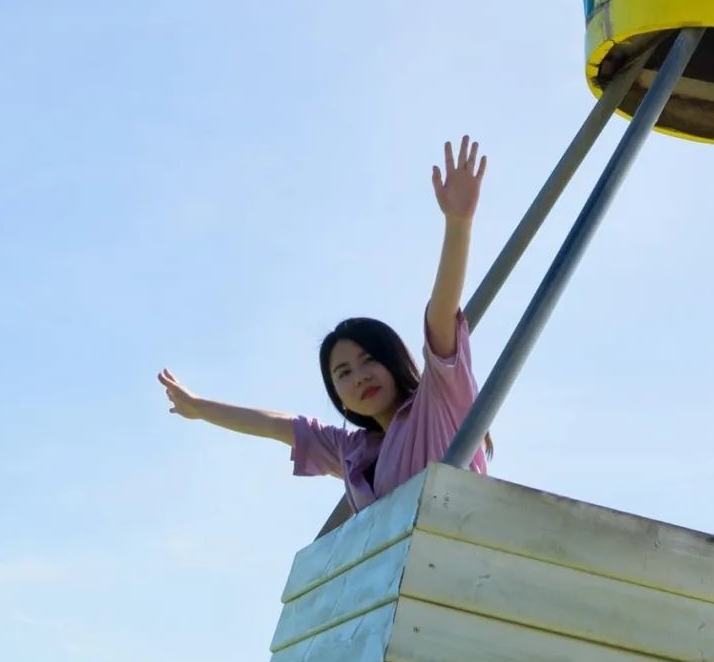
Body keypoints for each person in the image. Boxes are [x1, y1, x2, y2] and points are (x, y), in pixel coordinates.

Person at [157, 135, 492, 517]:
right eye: (344, 373)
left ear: (392, 360)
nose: (360, 377)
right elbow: (279, 426)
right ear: (336, 392)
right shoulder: (352, 451)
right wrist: (199, 408)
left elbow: (441, 315)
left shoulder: (436, 401)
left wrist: (458, 223)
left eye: (368, 361)